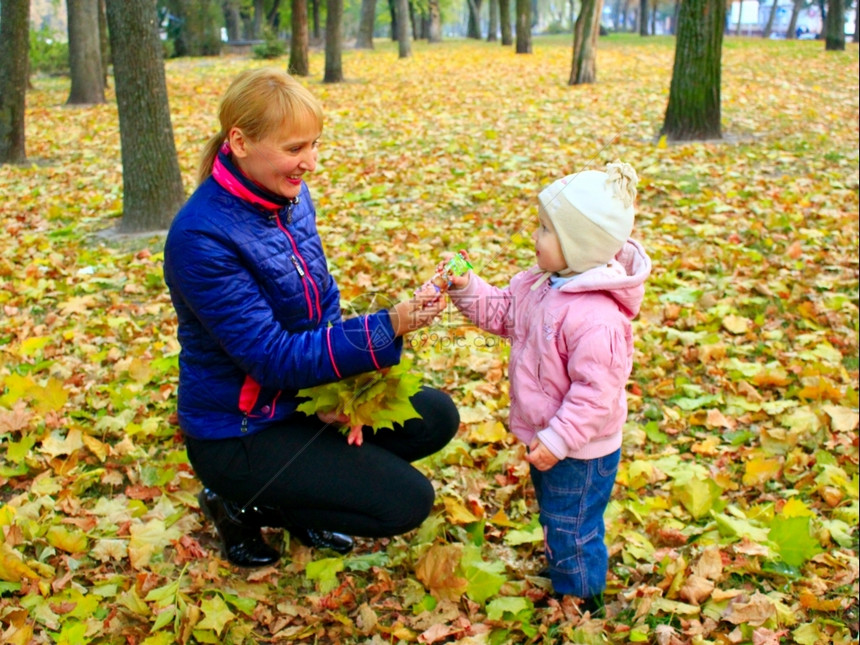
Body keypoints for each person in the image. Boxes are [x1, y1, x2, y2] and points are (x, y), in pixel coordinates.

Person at [163, 68, 459, 568]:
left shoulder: (289, 198)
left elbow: (321, 304)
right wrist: (391, 324)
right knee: (406, 502)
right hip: (241, 432)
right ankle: (241, 502)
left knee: (434, 417)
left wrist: (339, 397)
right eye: (296, 148)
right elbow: (271, 358)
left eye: (316, 144)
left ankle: (312, 491)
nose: (312, 163)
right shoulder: (200, 238)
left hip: (296, 402)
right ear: (239, 141)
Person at [446, 161, 651, 615]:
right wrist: (466, 287)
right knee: (559, 516)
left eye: (545, 229)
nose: (534, 237)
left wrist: (558, 439)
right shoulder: (542, 285)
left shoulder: (596, 318)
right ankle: (567, 569)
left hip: (580, 448)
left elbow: (595, 393)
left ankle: (582, 600)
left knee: (573, 524)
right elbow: (502, 313)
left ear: (578, 246)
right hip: (550, 439)